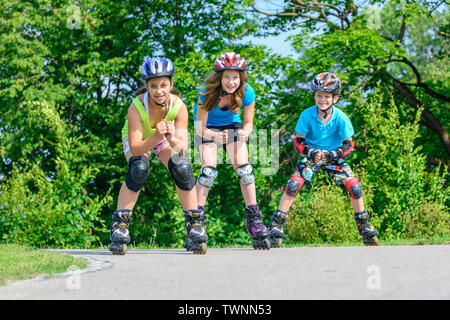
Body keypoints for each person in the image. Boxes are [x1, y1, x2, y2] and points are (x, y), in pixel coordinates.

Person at [109, 57, 207, 255]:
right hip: (141, 139)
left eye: (163, 85)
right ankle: (120, 225)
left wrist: (169, 138)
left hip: (162, 138)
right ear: (146, 87)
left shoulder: (179, 106)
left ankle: (194, 223)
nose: (159, 91)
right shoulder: (136, 107)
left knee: (182, 167)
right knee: (139, 169)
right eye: (153, 86)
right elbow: (136, 148)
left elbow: (182, 148)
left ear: (171, 84)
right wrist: (156, 135)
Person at [268, 72, 378, 247]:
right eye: (319, 95)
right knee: (294, 184)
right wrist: (310, 152)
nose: (322, 100)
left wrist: (333, 154)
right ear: (314, 96)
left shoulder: (341, 118)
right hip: (311, 155)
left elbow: (349, 145)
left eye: (327, 96)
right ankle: (277, 224)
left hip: (334, 157)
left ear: (335, 98)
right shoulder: (307, 115)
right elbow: (298, 141)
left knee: (354, 186)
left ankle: (364, 225)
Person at [194, 52, 270, 250]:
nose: (231, 81)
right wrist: (216, 136)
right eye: (226, 76)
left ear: (241, 77)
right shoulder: (206, 92)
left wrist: (245, 132)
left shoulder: (246, 91)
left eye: (235, 76)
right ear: (219, 77)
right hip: (207, 129)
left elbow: (248, 123)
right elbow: (199, 128)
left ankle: (254, 218)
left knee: (244, 169)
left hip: (232, 126)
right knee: (208, 172)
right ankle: (195, 220)